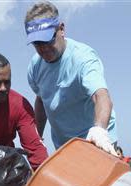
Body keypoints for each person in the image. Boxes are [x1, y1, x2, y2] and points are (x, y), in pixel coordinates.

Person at [25, 1, 118, 156]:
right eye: (37, 43)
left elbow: (101, 95)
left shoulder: (83, 58)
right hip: (64, 146)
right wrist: (37, 138)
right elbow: (41, 100)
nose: (44, 48)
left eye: (49, 40)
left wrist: (100, 130)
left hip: (95, 141)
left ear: (61, 29)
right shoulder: (35, 66)